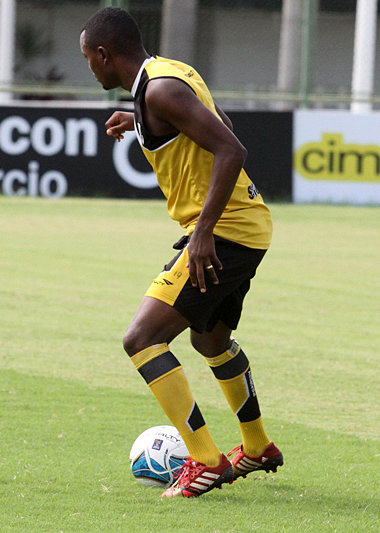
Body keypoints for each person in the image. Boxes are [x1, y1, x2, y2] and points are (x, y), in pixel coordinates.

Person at [80, 8, 283, 498]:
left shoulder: (160, 90)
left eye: (89, 59)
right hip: (248, 227)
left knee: (142, 338)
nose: (90, 68)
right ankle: (257, 447)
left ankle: (206, 460)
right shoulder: (167, 77)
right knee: (210, 340)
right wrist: (145, 122)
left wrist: (204, 233)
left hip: (226, 232)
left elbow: (232, 148)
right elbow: (219, 123)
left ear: (105, 55)